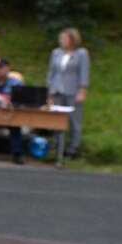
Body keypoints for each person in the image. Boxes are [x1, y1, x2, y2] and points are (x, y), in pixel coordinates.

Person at [47, 27, 90, 159]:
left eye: (65, 38)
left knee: (74, 121)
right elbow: (51, 73)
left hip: (73, 91)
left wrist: (82, 90)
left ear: (72, 40)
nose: (62, 41)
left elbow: (84, 72)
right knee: (56, 119)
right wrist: (49, 91)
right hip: (57, 90)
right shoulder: (56, 53)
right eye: (61, 38)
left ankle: (73, 148)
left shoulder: (81, 54)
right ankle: (57, 146)